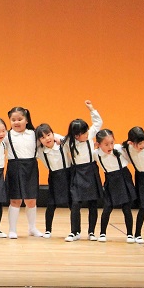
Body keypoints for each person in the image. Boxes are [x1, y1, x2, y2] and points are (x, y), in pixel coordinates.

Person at [63, 100, 103, 241]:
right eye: (83, 133)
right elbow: (57, 139)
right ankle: (75, 232)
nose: (87, 134)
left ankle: (91, 232)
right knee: (75, 203)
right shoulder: (68, 142)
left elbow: (98, 123)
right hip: (77, 172)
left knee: (93, 203)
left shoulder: (89, 136)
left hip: (91, 170)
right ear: (76, 135)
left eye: (86, 131)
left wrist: (91, 109)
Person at [2, 106, 43, 239]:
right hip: (14, 168)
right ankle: (12, 229)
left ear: (27, 120)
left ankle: (32, 228)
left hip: (31, 167)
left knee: (31, 200)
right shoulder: (7, 136)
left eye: (20, 119)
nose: (16, 122)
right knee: (15, 200)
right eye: (13, 120)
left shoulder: (34, 134)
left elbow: (50, 136)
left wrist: (58, 139)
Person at [94, 129, 136, 243]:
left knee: (126, 208)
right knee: (107, 207)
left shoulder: (120, 149)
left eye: (112, 143)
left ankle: (130, 234)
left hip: (123, 177)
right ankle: (102, 233)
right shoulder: (95, 154)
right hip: (110, 179)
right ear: (98, 144)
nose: (110, 146)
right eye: (106, 144)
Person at [35, 123, 71, 239]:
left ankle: (75, 230)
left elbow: (69, 139)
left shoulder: (62, 144)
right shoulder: (40, 151)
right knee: (51, 204)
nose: (47, 139)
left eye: (49, 135)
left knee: (73, 204)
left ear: (53, 134)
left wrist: (58, 137)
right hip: (54, 177)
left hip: (68, 174)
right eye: (42, 137)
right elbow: (31, 145)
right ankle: (48, 230)